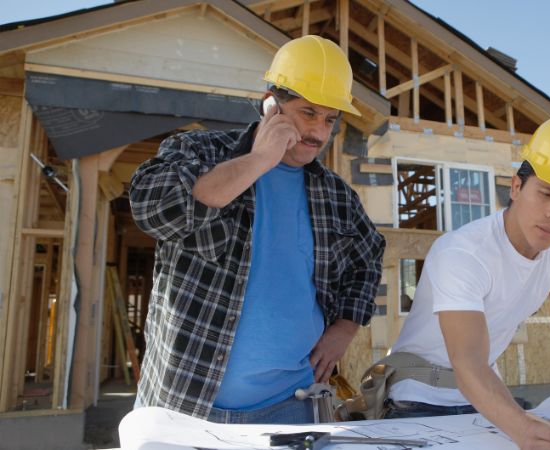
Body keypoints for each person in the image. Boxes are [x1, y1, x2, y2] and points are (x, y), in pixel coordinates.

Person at [129, 35, 385, 424]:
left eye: (330, 119)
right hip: (186, 402)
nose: (318, 132)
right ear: (271, 104)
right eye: (307, 112)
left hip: (293, 405)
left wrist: (346, 327)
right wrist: (261, 158)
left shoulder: (336, 196)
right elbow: (152, 208)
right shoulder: (200, 152)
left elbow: (369, 256)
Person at [384, 114, 550, 448]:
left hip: (486, 394)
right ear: (516, 187)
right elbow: (468, 360)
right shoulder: (463, 252)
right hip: (418, 399)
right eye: (546, 194)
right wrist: (524, 431)